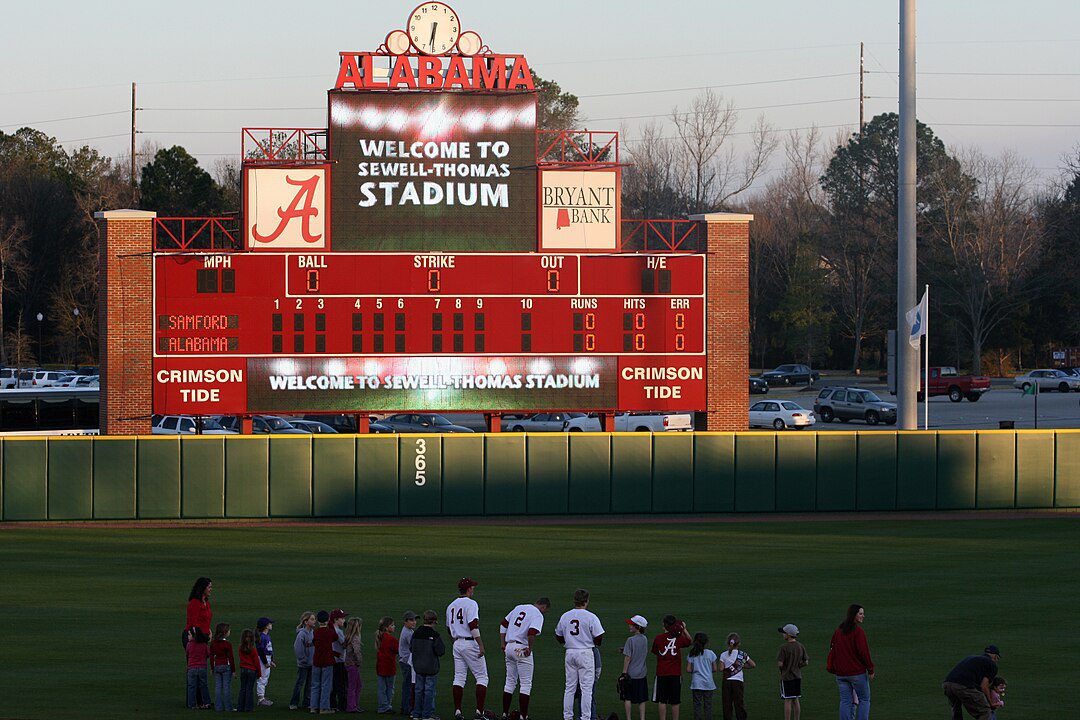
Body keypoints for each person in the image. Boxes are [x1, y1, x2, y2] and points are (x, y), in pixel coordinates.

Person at [555, 588, 605, 720]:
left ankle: (568, 717)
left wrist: (569, 641)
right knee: (586, 689)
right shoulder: (590, 616)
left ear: (574, 601)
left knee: (569, 688)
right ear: (586, 601)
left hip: (570, 652)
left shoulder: (565, 615)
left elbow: (558, 636)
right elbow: (599, 637)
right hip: (585, 653)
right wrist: (589, 640)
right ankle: (586, 717)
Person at [500, 597, 550, 720]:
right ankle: (523, 716)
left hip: (509, 647)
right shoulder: (537, 614)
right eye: (545, 610)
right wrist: (530, 647)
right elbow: (532, 632)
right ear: (543, 606)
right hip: (521, 649)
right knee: (526, 684)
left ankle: (504, 714)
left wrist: (503, 643)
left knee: (510, 682)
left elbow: (503, 624)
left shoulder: (519, 607)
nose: (544, 612)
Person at [447, 577, 489, 720]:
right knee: (482, 677)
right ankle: (479, 713)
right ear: (469, 589)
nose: (473, 589)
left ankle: (457, 711)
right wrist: (481, 644)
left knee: (459, 678)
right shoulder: (471, 604)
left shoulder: (451, 605)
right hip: (470, 643)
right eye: (473, 587)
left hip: (457, 643)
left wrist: (455, 643)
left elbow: (448, 629)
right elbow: (473, 626)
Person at [827, 605, 874, 720]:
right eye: (861, 613)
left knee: (845, 701)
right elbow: (864, 652)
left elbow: (832, 648)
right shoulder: (858, 632)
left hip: (841, 674)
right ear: (854, 615)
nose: (863, 616)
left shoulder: (838, 631)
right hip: (857, 673)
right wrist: (871, 669)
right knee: (864, 699)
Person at [942, 646, 1002, 720]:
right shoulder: (992, 664)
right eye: (997, 659)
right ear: (996, 656)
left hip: (947, 684)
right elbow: (984, 686)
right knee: (985, 711)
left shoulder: (971, 658)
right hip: (963, 686)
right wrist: (990, 703)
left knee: (956, 709)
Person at [652, 615, 692, 720]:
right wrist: (683, 629)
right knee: (675, 701)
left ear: (664, 625)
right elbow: (689, 641)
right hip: (675, 673)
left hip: (662, 673)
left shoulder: (658, 638)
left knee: (662, 700)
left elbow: (656, 652)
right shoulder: (678, 638)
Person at [411, 611, 446, 720]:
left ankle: (417, 713)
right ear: (434, 621)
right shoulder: (435, 635)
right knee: (429, 691)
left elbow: (411, 648)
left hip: (418, 666)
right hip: (431, 667)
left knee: (418, 690)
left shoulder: (415, 633)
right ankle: (427, 714)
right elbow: (441, 651)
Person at [718, 633, 755, 720]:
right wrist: (742, 666)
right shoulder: (743, 654)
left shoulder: (723, 654)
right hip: (738, 681)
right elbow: (753, 665)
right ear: (739, 643)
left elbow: (721, 669)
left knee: (727, 703)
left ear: (728, 643)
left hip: (726, 681)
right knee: (739, 703)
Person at [619, 615, 650, 720]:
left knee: (628, 698)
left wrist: (624, 673)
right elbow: (639, 651)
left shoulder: (630, 640)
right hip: (642, 673)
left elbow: (628, 658)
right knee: (641, 699)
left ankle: (629, 718)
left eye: (631, 624)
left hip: (631, 674)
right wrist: (625, 649)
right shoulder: (645, 639)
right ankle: (642, 718)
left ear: (638, 627)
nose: (629, 626)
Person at [776, 624, 808, 720]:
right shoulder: (800, 646)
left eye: (784, 633)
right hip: (797, 676)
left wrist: (784, 668)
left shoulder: (784, 647)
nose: (783, 634)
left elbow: (780, 664)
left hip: (786, 677)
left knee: (788, 701)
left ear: (789, 635)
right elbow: (806, 662)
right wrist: (797, 666)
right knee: (796, 699)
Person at [313, 610, 339, 714]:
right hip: (327, 660)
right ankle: (324, 707)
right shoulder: (329, 632)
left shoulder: (315, 632)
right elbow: (335, 638)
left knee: (315, 684)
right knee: (326, 685)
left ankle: (313, 707)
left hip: (316, 660)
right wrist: (331, 625)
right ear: (327, 620)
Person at [686, 633, 717, 720]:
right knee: (708, 705)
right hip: (708, 683)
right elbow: (714, 669)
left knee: (697, 705)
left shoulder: (692, 653)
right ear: (706, 642)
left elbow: (688, 669)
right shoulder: (710, 653)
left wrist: (696, 670)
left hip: (697, 683)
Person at [291, 612, 316, 711]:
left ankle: (307, 703)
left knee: (309, 684)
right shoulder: (301, 634)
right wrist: (303, 660)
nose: (315, 621)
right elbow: (298, 649)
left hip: (312, 663)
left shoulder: (313, 633)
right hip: (304, 664)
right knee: (299, 683)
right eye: (312, 619)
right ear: (306, 621)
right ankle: (293, 703)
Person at [211, 623, 236, 712]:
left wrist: (212, 668)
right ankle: (228, 707)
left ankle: (218, 707)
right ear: (225, 632)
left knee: (218, 687)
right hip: (226, 666)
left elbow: (211, 656)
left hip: (217, 665)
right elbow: (231, 657)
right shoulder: (227, 644)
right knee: (226, 688)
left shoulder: (213, 643)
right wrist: (233, 670)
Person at [376, 616, 399, 713]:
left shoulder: (380, 637)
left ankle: (382, 705)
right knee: (389, 688)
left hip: (380, 666)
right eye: (392, 625)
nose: (394, 627)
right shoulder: (391, 639)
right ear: (386, 627)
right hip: (389, 666)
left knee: (382, 688)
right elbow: (398, 650)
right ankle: (386, 706)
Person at [186, 628, 212, 709]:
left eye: (189, 634)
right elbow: (208, 654)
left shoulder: (189, 645)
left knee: (191, 686)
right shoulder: (204, 645)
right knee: (203, 686)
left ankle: (192, 704)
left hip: (192, 668)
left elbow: (187, 653)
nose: (188, 636)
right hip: (202, 667)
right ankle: (207, 703)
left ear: (193, 636)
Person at [238, 629, 262, 712]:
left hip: (243, 669)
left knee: (243, 689)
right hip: (251, 670)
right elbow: (256, 663)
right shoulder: (253, 650)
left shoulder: (240, 648)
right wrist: (259, 673)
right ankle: (248, 708)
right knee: (249, 690)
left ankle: (240, 707)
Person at [185, 577, 213, 648]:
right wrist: (204, 637)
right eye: (209, 587)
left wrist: (209, 632)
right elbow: (193, 623)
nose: (211, 589)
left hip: (203, 636)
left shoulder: (206, 603)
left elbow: (206, 621)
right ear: (203, 588)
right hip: (195, 637)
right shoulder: (195, 602)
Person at [332, 609, 351, 711]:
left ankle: (333, 704)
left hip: (334, 660)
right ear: (335, 619)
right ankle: (342, 705)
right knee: (342, 684)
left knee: (334, 684)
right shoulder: (338, 632)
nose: (344, 620)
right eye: (342, 618)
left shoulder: (332, 629)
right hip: (339, 661)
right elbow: (345, 645)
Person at [400, 611, 418, 717]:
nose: (414, 622)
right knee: (408, 686)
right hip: (407, 663)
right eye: (411, 620)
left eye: (415, 620)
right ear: (405, 621)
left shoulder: (408, 630)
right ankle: (407, 708)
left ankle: (405, 707)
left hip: (404, 661)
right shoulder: (408, 633)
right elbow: (415, 646)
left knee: (407, 686)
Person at [345, 616, 366, 713]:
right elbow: (356, 651)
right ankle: (352, 706)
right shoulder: (355, 637)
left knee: (356, 685)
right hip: (353, 664)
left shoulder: (348, 637)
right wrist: (359, 661)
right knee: (355, 686)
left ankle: (354, 705)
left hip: (349, 664)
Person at [256, 617, 276, 707]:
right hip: (262, 659)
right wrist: (265, 662)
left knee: (265, 678)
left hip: (266, 658)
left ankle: (262, 697)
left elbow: (269, 649)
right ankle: (261, 699)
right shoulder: (262, 637)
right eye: (270, 624)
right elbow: (260, 650)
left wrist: (271, 660)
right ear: (266, 626)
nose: (271, 625)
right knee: (262, 679)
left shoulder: (266, 636)